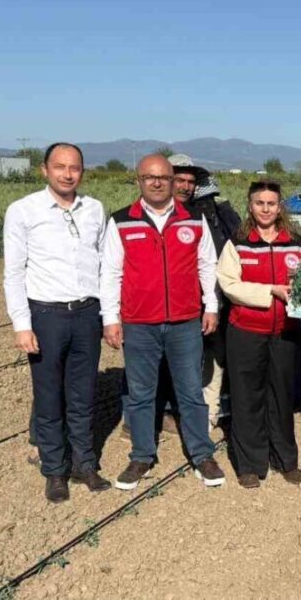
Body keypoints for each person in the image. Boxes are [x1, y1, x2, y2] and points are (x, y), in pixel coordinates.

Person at [100, 154, 226, 490]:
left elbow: (207, 266)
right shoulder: (122, 221)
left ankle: (202, 454)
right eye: (149, 177)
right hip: (139, 324)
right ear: (138, 181)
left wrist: (210, 306)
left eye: (163, 177)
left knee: (190, 392)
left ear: (173, 181)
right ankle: (142, 455)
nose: (157, 182)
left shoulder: (194, 219)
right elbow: (111, 273)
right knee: (141, 394)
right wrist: (111, 319)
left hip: (185, 322)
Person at [3, 142, 111, 503]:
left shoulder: (94, 209)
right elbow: (13, 273)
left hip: (86, 314)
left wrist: (107, 314)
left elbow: (104, 267)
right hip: (45, 315)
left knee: (82, 397)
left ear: (82, 172)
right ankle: (54, 470)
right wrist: (22, 323)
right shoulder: (23, 211)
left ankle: (84, 464)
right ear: (45, 170)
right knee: (49, 398)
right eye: (60, 167)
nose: (68, 174)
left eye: (75, 168)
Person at [217, 180, 301, 489]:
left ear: (279, 207)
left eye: (271, 203)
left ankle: (286, 459)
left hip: (286, 331)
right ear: (250, 205)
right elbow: (229, 285)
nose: (265, 209)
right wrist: (270, 290)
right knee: (246, 397)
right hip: (246, 331)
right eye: (259, 203)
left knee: (282, 395)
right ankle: (249, 464)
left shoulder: (296, 242)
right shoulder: (238, 242)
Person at [171, 155, 241, 430]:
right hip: (178, 303)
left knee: (209, 356)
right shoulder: (150, 214)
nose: (186, 186)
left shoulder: (204, 214)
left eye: (190, 181)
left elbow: (213, 260)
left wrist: (213, 302)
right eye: (180, 179)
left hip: (206, 299)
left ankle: (205, 416)